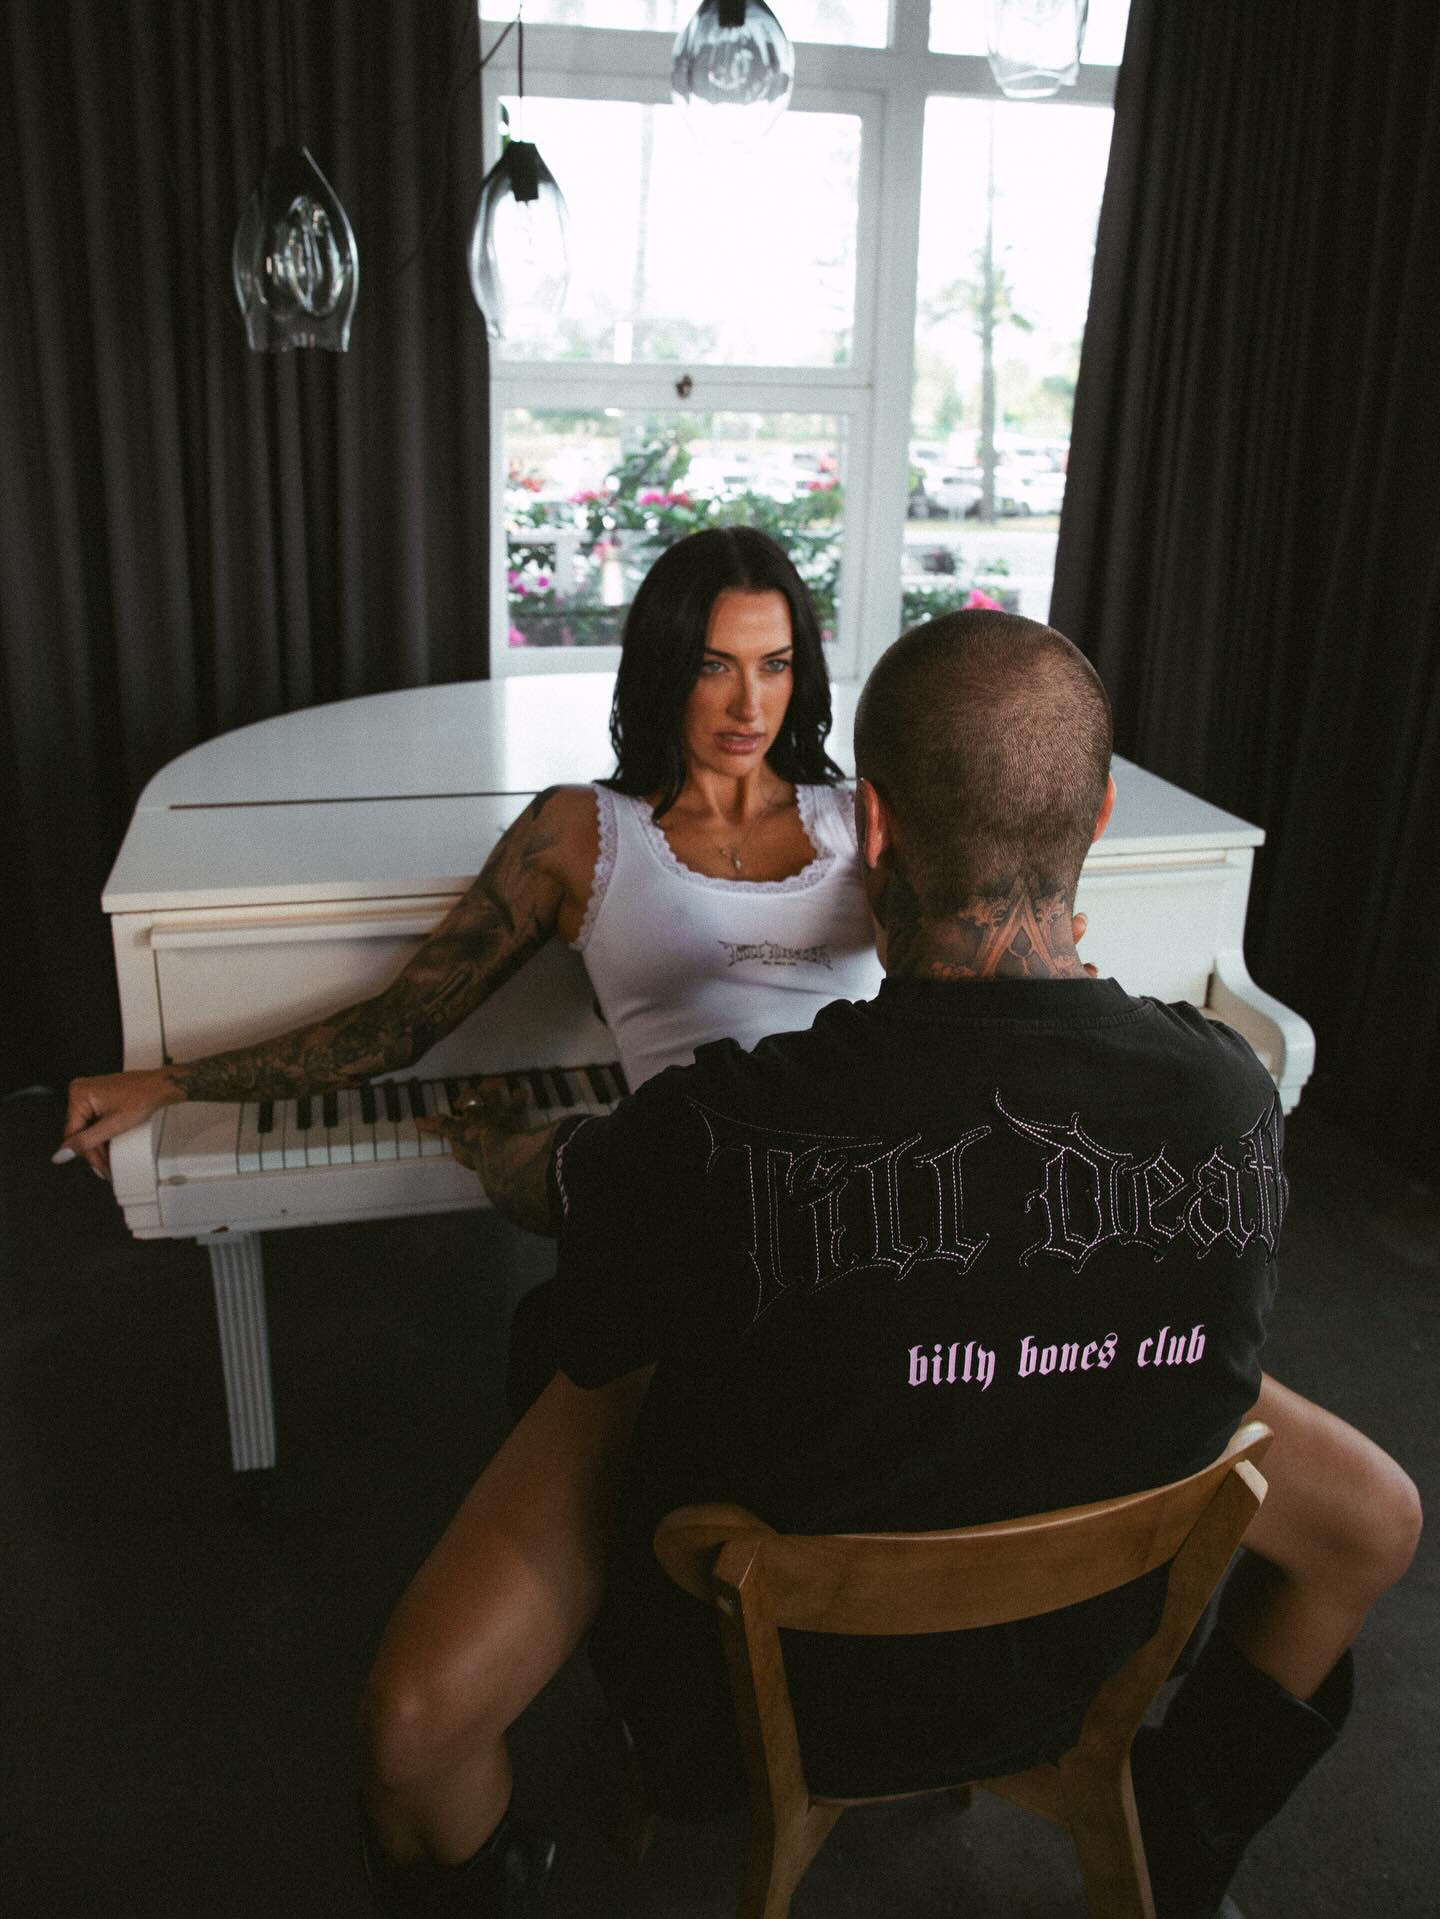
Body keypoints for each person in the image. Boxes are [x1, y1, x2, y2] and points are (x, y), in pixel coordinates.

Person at [363, 611, 1419, 1919]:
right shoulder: (1230, 1097)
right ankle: (1183, 1840)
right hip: (1080, 1673)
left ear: (870, 824)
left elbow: (565, 1210)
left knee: (422, 1707)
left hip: (766, 1711)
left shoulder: (715, 1131)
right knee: (1378, 1510)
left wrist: (507, 1151)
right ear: (1097, 819)